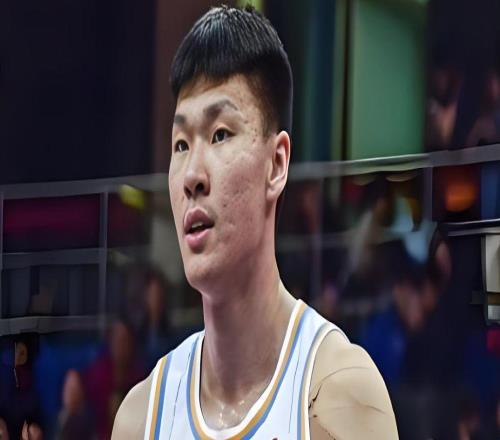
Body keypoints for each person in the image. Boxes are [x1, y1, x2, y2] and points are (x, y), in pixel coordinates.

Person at [113, 4, 398, 439]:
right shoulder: (141, 418)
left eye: (220, 134)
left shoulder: (340, 396)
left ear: (277, 164)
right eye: (181, 144)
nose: (192, 176)